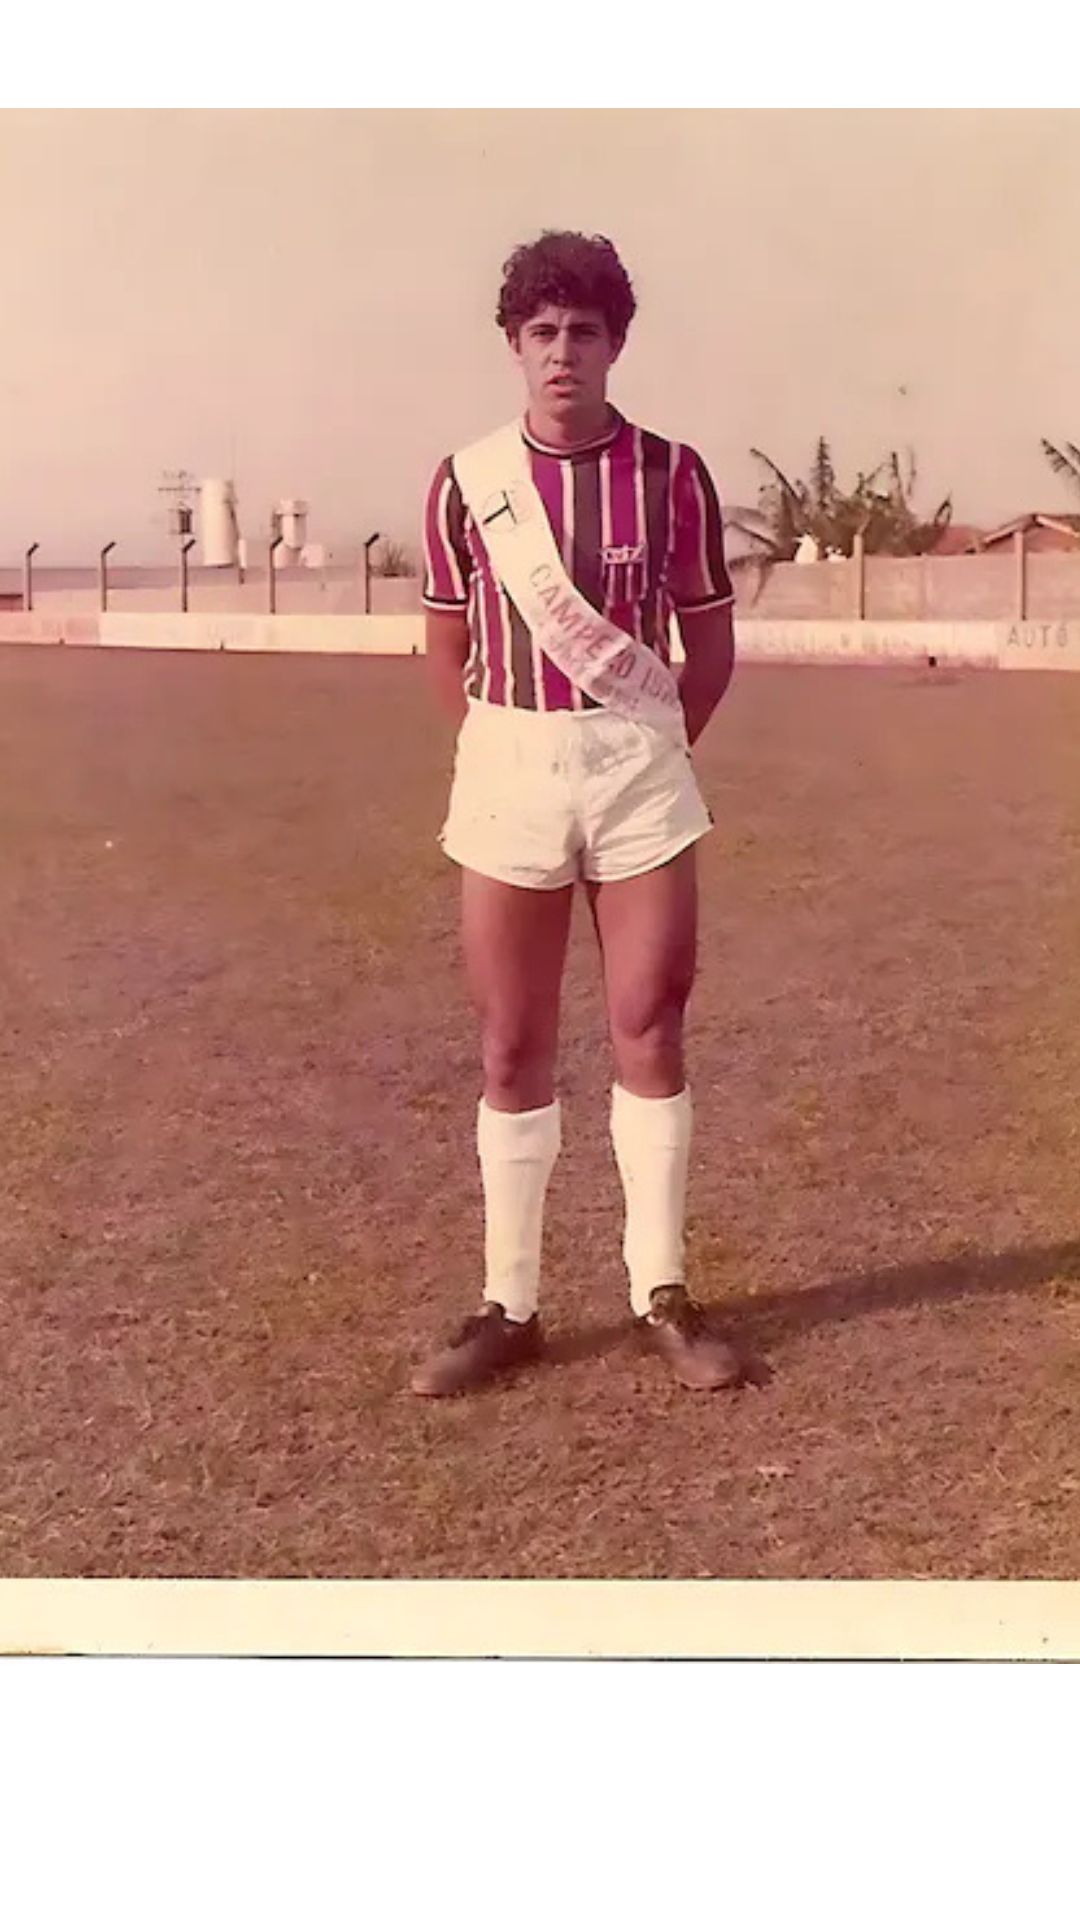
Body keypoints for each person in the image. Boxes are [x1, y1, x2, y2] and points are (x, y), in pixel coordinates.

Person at [413, 229, 739, 1397]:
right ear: (515, 347)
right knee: (511, 1043)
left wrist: (653, 737)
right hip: (509, 758)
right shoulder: (466, 480)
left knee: (649, 1022)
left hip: (639, 768)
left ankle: (662, 1289)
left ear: (615, 346)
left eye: (584, 334)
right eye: (542, 334)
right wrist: (502, 742)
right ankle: (511, 1305)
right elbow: (446, 638)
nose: (563, 354)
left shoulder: (670, 473)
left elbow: (709, 636)